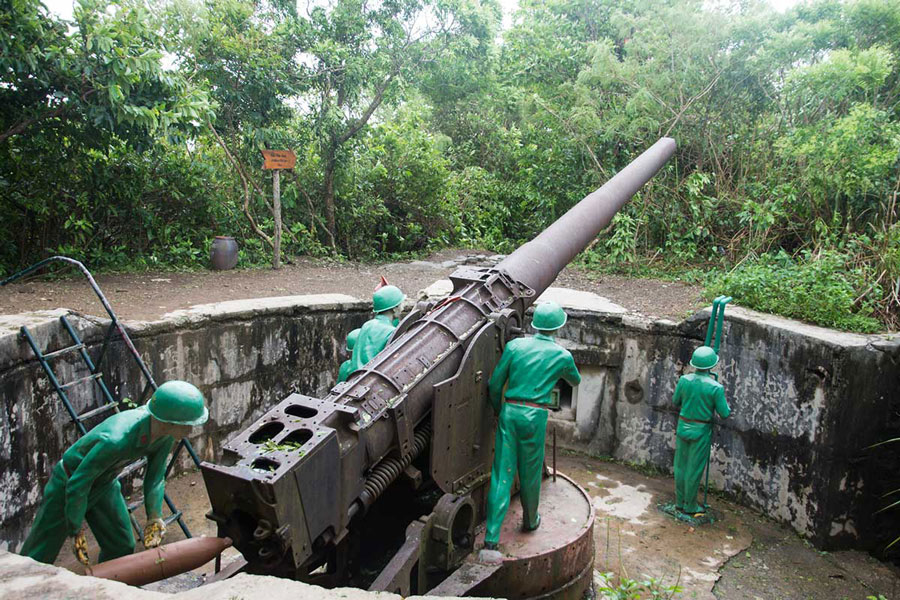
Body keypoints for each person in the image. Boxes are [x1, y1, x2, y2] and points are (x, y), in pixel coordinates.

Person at [20, 380, 209, 565]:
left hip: (104, 482)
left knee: (121, 545)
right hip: (69, 482)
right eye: (186, 424)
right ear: (167, 421)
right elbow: (79, 482)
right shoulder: (116, 439)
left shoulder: (165, 435)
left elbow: (155, 478)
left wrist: (154, 517)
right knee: (40, 552)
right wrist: (75, 529)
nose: (190, 430)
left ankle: (104, 586)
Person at [482, 301, 581, 554]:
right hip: (535, 415)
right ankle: (530, 520)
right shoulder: (562, 355)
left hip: (510, 411)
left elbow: (495, 385)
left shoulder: (514, 346)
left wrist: (498, 410)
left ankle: (491, 537)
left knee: (501, 474)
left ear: (534, 325)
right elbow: (575, 380)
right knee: (530, 471)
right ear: (559, 327)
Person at [673, 346, 731, 515]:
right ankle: (690, 506)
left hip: (683, 425)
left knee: (680, 466)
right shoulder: (715, 387)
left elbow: (676, 400)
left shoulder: (684, 380)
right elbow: (724, 413)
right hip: (701, 429)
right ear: (711, 365)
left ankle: (679, 502)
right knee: (694, 468)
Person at [347, 285, 405, 372]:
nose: (403, 308)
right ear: (394, 309)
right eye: (401, 305)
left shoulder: (367, 325)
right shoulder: (391, 332)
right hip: (372, 379)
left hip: (355, 378)